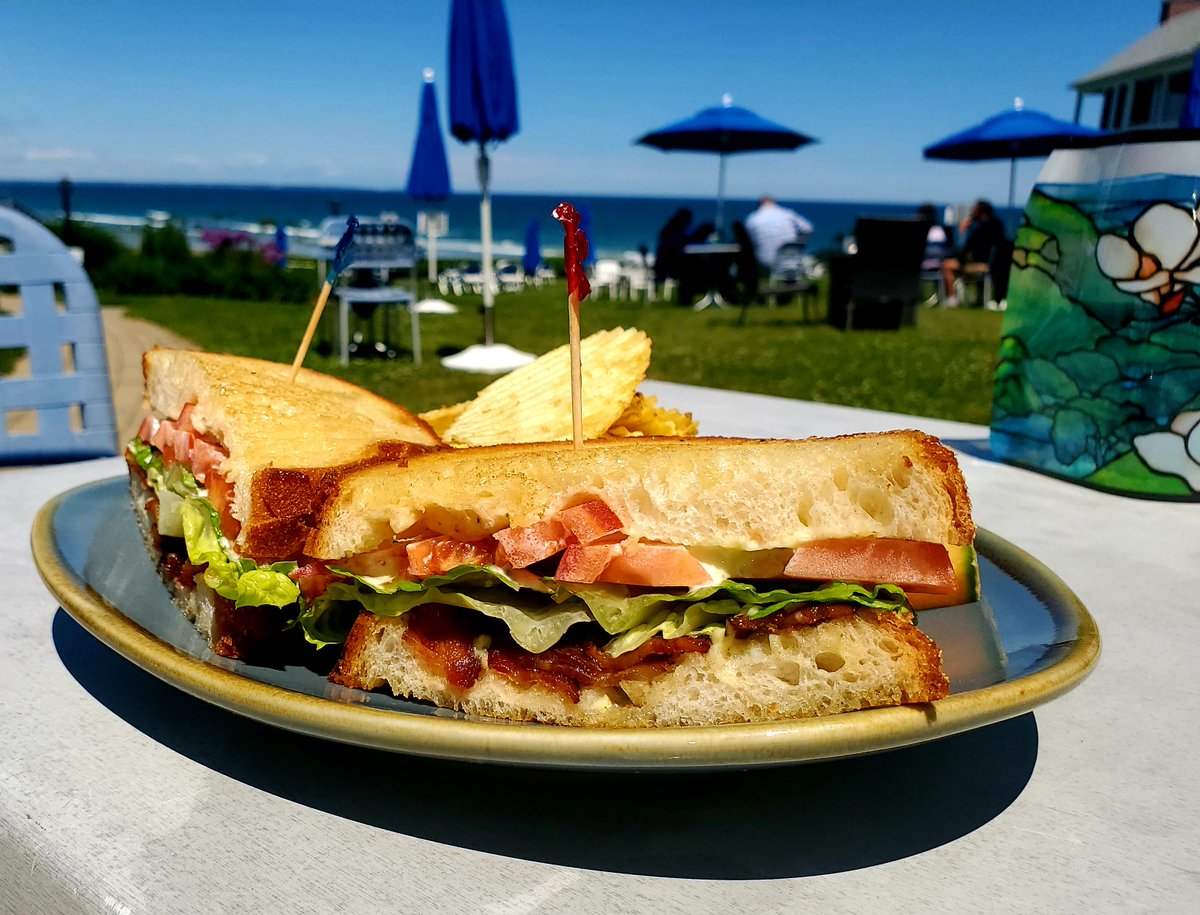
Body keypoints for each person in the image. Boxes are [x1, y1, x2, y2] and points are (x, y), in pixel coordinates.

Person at [940, 199, 1005, 307]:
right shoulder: (997, 225)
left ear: (980, 211)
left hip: (978, 265)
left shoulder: (978, 230)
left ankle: (952, 298)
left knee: (947, 266)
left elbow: (965, 250)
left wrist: (962, 233)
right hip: (993, 264)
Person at [744, 196, 814, 273]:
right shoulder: (787, 214)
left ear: (760, 205)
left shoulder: (752, 219)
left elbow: (746, 240)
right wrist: (797, 243)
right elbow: (808, 228)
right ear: (774, 203)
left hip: (764, 262)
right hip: (790, 260)